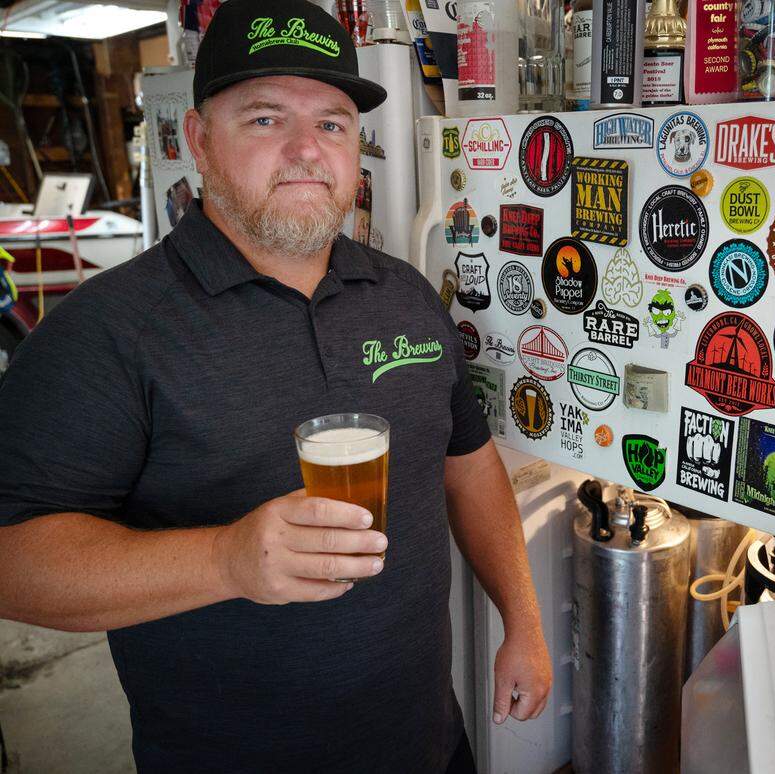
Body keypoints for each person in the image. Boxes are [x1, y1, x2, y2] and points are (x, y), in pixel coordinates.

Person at [0, 1, 552, 771]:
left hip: (428, 744)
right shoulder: (108, 332)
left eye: (330, 124)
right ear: (197, 140)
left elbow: (469, 461)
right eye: (264, 119)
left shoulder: (406, 295)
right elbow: (13, 560)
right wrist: (225, 560)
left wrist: (522, 622)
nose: (305, 150)